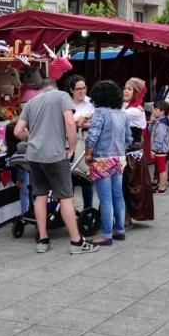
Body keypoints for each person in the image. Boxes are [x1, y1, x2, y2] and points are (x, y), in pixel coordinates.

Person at [14, 79, 99, 254]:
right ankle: (76, 242)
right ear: (56, 87)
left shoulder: (30, 103)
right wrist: (73, 147)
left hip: (34, 156)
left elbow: (17, 131)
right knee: (65, 196)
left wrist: (34, 139)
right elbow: (69, 122)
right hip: (55, 154)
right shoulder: (61, 96)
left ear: (41, 89)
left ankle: (43, 240)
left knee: (40, 194)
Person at [84, 80, 132, 246]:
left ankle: (106, 234)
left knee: (105, 198)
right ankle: (120, 230)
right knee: (118, 195)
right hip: (119, 158)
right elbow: (128, 139)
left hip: (102, 158)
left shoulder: (100, 112)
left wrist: (88, 153)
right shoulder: (122, 113)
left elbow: (92, 135)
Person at [122, 78, 154, 223]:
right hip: (127, 151)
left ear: (136, 92)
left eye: (129, 89)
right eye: (125, 88)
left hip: (131, 154)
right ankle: (125, 215)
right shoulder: (128, 107)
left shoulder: (134, 111)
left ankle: (127, 216)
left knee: (130, 185)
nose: (125, 91)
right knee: (126, 185)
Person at [66, 75, 95, 210]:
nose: (82, 91)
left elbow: (94, 123)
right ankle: (68, 208)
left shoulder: (91, 103)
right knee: (68, 177)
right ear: (72, 90)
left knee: (85, 177)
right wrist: (79, 122)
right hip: (67, 144)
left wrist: (79, 124)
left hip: (84, 143)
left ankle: (88, 208)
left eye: (84, 88)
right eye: (78, 89)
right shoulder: (66, 104)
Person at [150, 100, 169, 193]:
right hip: (161, 149)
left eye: (156, 109)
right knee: (161, 168)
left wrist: (154, 149)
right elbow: (150, 130)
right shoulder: (160, 121)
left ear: (162, 111)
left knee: (161, 169)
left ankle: (162, 187)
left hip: (160, 150)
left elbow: (159, 137)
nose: (154, 111)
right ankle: (161, 185)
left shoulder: (161, 123)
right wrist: (152, 122)